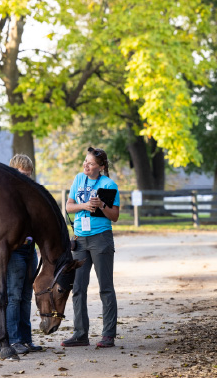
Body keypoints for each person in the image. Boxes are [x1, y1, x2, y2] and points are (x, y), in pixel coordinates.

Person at [62, 147, 120, 348]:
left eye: (91, 163)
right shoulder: (79, 179)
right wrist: (84, 205)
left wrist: (102, 205)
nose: (86, 165)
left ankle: (108, 335)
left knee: (105, 287)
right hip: (79, 239)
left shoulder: (108, 184)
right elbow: (69, 206)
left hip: (100, 239)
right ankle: (80, 334)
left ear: (101, 167)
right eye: (85, 161)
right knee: (78, 288)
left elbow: (115, 216)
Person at [6, 154, 43, 354]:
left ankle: (26, 339)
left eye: (28, 176)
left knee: (27, 296)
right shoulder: (7, 197)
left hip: (30, 250)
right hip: (15, 251)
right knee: (14, 296)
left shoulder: (31, 195)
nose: (26, 179)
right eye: (22, 175)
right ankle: (14, 339)